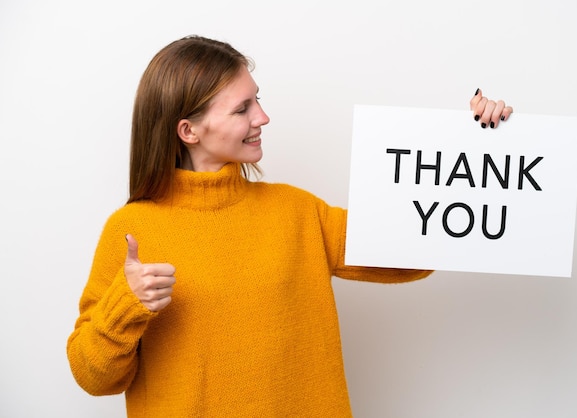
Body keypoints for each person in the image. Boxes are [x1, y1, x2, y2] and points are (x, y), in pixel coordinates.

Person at [67, 35, 513, 417]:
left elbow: (414, 248)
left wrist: (475, 144)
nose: (262, 117)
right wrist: (127, 305)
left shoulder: (296, 212)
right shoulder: (130, 230)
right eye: (242, 108)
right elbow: (94, 377)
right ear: (189, 130)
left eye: (258, 99)